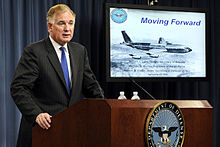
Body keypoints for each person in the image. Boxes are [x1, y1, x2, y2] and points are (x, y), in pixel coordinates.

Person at [10, 4, 104, 147]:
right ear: (50, 26)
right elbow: (19, 88)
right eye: (62, 23)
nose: (67, 28)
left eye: (71, 23)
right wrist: (36, 115)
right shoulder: (35, 51)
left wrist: (105, 107)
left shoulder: (80, 51)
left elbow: (91, 86)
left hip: (72, 132)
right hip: (42, 130)